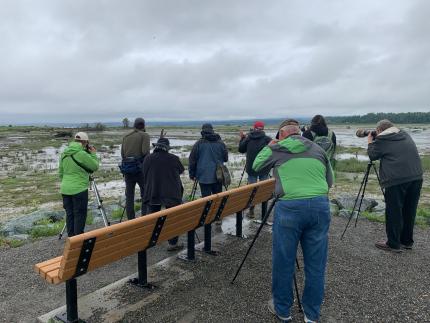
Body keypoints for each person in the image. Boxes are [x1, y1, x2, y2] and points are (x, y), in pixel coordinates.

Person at [253, 122, 333, 323]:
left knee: (284, 261)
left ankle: (283, 311)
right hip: (320, 206)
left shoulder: (277, 147)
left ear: (281, 135)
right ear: (300, 133)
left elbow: (255, 166)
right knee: (316, 264)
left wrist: (270, 145)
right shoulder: (318, 149)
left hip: (290, 207)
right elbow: (329, 181)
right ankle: (311, 315)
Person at [367, 119, 423, 253]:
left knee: (394, 210)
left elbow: (372, 155)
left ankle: (393, 243)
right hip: (416, 176)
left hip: (396, 179)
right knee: (409, 210)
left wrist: (370, 141)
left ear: (379, 130)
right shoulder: (404, 134)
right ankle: (407, 241)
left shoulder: (382, 139)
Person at [142, 137, 185, 251]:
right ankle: (172, 244)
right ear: (167, 148)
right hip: (171, 194)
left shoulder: (148, 158)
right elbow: (181, 170)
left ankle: (151, 240)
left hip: (152, 193)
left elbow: (143, 172)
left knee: (153, 217)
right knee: (173, 219)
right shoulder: (173, 158)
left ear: (156, 147)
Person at [59, 132, 99, 237]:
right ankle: (79, 239)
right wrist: (93, 154)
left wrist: (67, 182)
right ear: (85, 142)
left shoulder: (64, 153)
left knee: (70, 214)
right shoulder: (82, 154)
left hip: (65, 188)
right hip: (79, 189)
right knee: (79, 214)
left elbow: (60, 173)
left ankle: (71, 238)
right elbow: (94, 167)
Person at [238, 121, 271, 217]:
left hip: (251, 169)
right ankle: (264, 213)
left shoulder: (248, 138)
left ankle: (251, 211)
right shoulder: (267, 139)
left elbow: (241, 149)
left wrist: (242, 138)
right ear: (263, 129)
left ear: (254, 128)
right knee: (264, 190)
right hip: (264, 168)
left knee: (252, 191)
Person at [121, 117, 150, 220]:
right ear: (143, 125)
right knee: (145, 194)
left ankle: (131, 220)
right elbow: (145, 152)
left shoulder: (126, 136)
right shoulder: (145, 135)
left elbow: (123, 154)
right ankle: (144, 218)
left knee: (129, 196)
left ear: (134, 125)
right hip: (140, 170)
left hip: (128, 169)